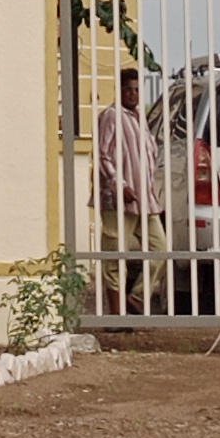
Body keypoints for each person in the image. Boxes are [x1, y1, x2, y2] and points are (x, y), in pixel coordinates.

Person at [96, 68, 158, 304]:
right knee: (114, 254)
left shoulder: (140, 116)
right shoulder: (112, 116)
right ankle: (116, 313)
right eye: (128, 89)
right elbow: (103, 155)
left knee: (160, 248)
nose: (133, 94)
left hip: (144, 199)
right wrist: (118, 184)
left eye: (136, 89)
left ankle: (136, 298)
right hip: (119, 199)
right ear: (119, 90)